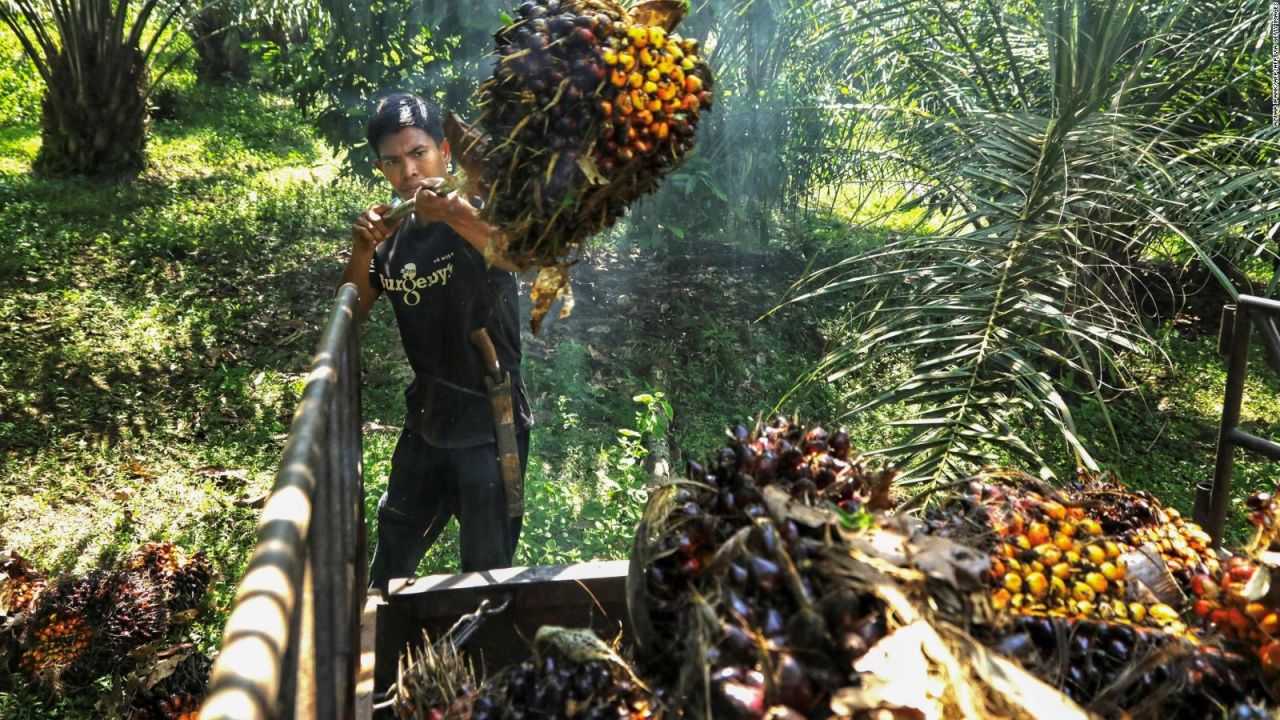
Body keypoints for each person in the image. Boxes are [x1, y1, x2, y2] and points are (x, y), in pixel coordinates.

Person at [339, 92, 533, 593]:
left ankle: (483, 658)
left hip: (492, 419)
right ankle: (381, 647)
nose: (409, 171)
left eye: (419, 153)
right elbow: (353, 311)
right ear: (381, 168)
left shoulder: (479, 214)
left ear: (445, 151)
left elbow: (519, 257)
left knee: (486, 571)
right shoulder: (393, 235)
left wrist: (455, 215)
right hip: (427, 416)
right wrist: (364, 249)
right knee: (394, 549)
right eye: (393, 161)